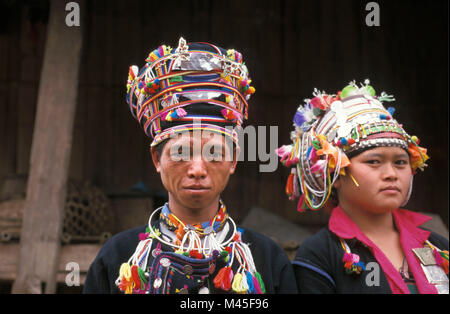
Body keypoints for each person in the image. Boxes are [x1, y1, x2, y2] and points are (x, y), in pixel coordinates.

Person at [83, 37, 297, 294]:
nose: (197, 169)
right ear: (156, 160)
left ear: (233, 161)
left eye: (214, 153)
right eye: (182, 152)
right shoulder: (118, 257)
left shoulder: (268, 260)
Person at [277, 80, 449, 294]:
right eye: (374, 162)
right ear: (336, 175)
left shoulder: (438, 246)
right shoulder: (320, 255)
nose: (391, 174)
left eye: (400, 162)